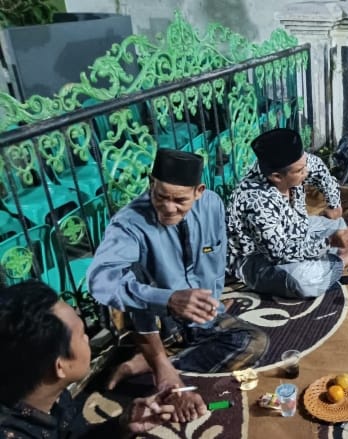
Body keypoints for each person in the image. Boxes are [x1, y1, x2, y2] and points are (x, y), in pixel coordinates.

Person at [87, 149, 267, 423]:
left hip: (194, 314)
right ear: (151, 184)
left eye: (180, 200)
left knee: (254, 342)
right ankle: (157, 357)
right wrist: (168, 298)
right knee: (132, 276)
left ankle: (152, 363)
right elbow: (99, 281)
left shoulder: (212, 205)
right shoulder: (129, 223)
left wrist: (213, 301)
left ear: (199, 192)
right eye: (161, 196)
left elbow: (215, 260)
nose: (169, 207)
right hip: (151, 320)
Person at [0, 280, 175, 438]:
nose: (87, 339)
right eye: (82, 333)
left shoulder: (53, 397)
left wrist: (122, 425)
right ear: (60, 366)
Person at [226, 128, 348, 299]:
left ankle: (328, 258)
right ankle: (344, 260)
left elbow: (320, 172)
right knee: (302, 282)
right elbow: (281, 254)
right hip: (257, 258)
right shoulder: (256, 202)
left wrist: (334, 205)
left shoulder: (296, 164)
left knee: (336, 224)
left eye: (304, 165)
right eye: (300, 171)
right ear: (277, 177)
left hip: (296, 229)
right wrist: (329, 241)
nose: (306, 172)